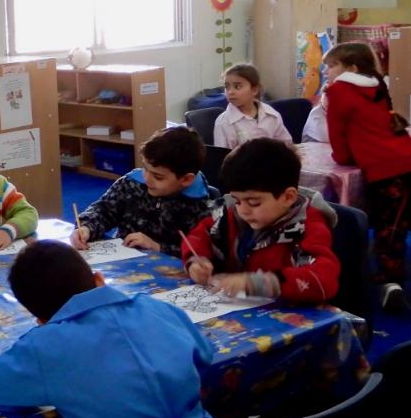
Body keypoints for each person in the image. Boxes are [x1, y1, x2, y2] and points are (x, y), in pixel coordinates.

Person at [0, 241, 230, 418]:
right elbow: (204, 355)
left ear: (39, 319)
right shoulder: (156, 307)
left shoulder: (44, 346)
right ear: (99, 279)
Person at [183, 138, 340, 304]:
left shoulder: (308, 226)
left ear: (288, 197)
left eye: (254, 203)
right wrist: (197, 260)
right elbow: (199, 234)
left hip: (286, 317)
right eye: (237, 200)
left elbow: (324, 281)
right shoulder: (230, 211)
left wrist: (259, 283)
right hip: (238, 312)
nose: (242, 210)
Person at [323, 42, 411, 312]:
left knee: (388, 226)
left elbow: (337, 132)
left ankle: (390, 283)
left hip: (385, 166)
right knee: (397, 221)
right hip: (403, 155)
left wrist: (343, 158)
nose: (326, 72)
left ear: (351, 67)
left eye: (331, 66)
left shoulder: (338, 90)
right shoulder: (376, 84)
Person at [71, 126, 214, 257]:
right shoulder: (132, 183)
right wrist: (86, 228)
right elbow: (103, 211)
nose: (147, 179)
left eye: (158, 177)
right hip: (122, 264)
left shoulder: (201, 206)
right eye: (145, 168)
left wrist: (157, 247)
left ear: (186, 180)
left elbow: (202, 253)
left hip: (167, 276)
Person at [213, 63, 291, 149]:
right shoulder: (223, 122)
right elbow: (222, 158)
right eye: (227, 87)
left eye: (237, 86)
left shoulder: (272, 115)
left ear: (254, 90)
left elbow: (286, 145)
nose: (230, 92)